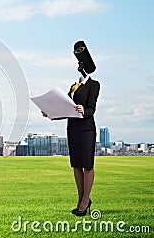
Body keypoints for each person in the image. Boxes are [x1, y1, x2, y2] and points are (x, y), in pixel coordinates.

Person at [42, 72, 100, 216]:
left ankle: (86, 200)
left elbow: (92, 108)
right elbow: (66, 109)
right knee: (76, 165)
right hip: (73, 128)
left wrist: (84, 110)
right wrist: (50, 114)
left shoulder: (94, 85)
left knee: (88, 165)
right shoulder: (73, 86)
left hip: (86, 129)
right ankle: (80, 199)